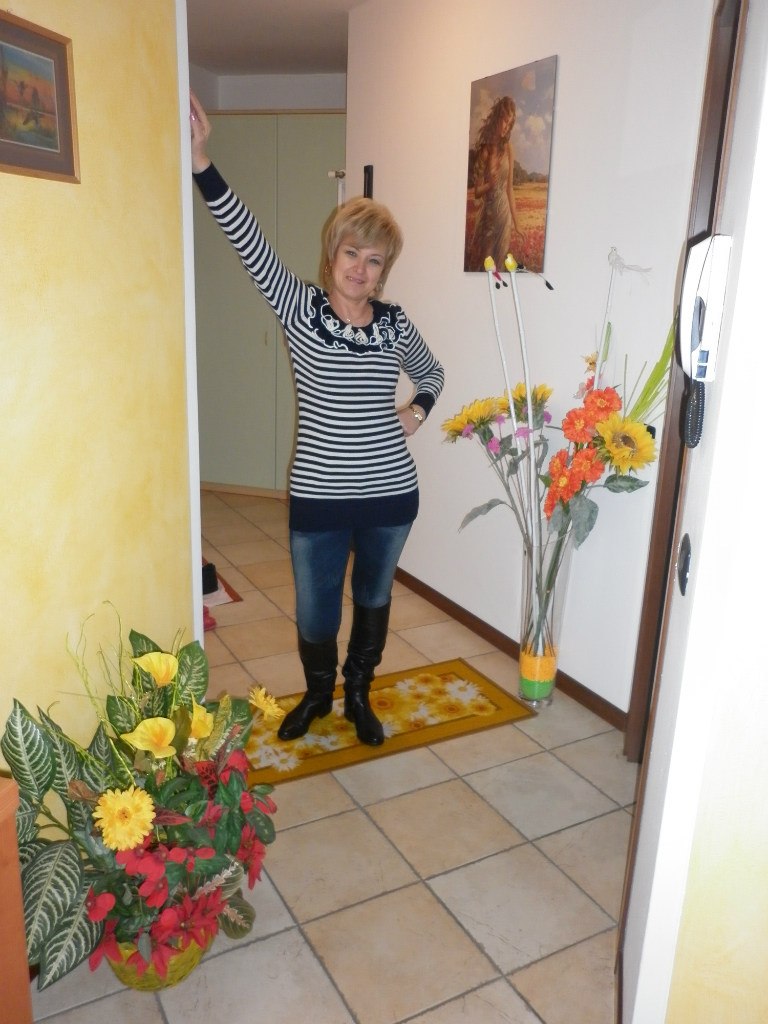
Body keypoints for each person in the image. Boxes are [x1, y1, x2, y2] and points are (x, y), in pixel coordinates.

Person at [190, 93, 444, 747]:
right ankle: (317, 695)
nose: (360, 269)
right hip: (320, 492)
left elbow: (433, 373)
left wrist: (415, 412)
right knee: (315, 608)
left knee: (374, 599)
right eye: (352, 253)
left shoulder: (395, 323)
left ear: (383, 271)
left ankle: (357, 694)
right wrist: (201, 162)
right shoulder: (301, 308)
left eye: (374, 260)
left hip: (389, 492)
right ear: (332, 255)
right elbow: (247, 239)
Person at [465, 95, 523, 271]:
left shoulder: (509, 148)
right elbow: (477, 192)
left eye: (510, 124)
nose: (506, 127)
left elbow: (509, 188)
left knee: (500, 268)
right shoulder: (485, 151)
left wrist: (517, 223)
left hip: (504, 216)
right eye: (505, 121)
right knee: (487, 267)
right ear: (497, 118)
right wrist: (489, 185)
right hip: (489, 218)